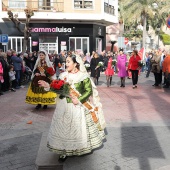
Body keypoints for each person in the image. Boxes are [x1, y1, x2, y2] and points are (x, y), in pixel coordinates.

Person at [38, 54, 106, 162]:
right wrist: (48, 86)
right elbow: (58, 89)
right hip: (63, 106)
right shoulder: (63, 75)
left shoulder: (83, 76)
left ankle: (77, 147)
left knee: (77, 130)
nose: (66, 64)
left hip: (77, 107)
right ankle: (63, 151)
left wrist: (78, 100)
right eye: (66, 61)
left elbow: (88, 91)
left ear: (75, 64)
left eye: (69, 62)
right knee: (62, 129)